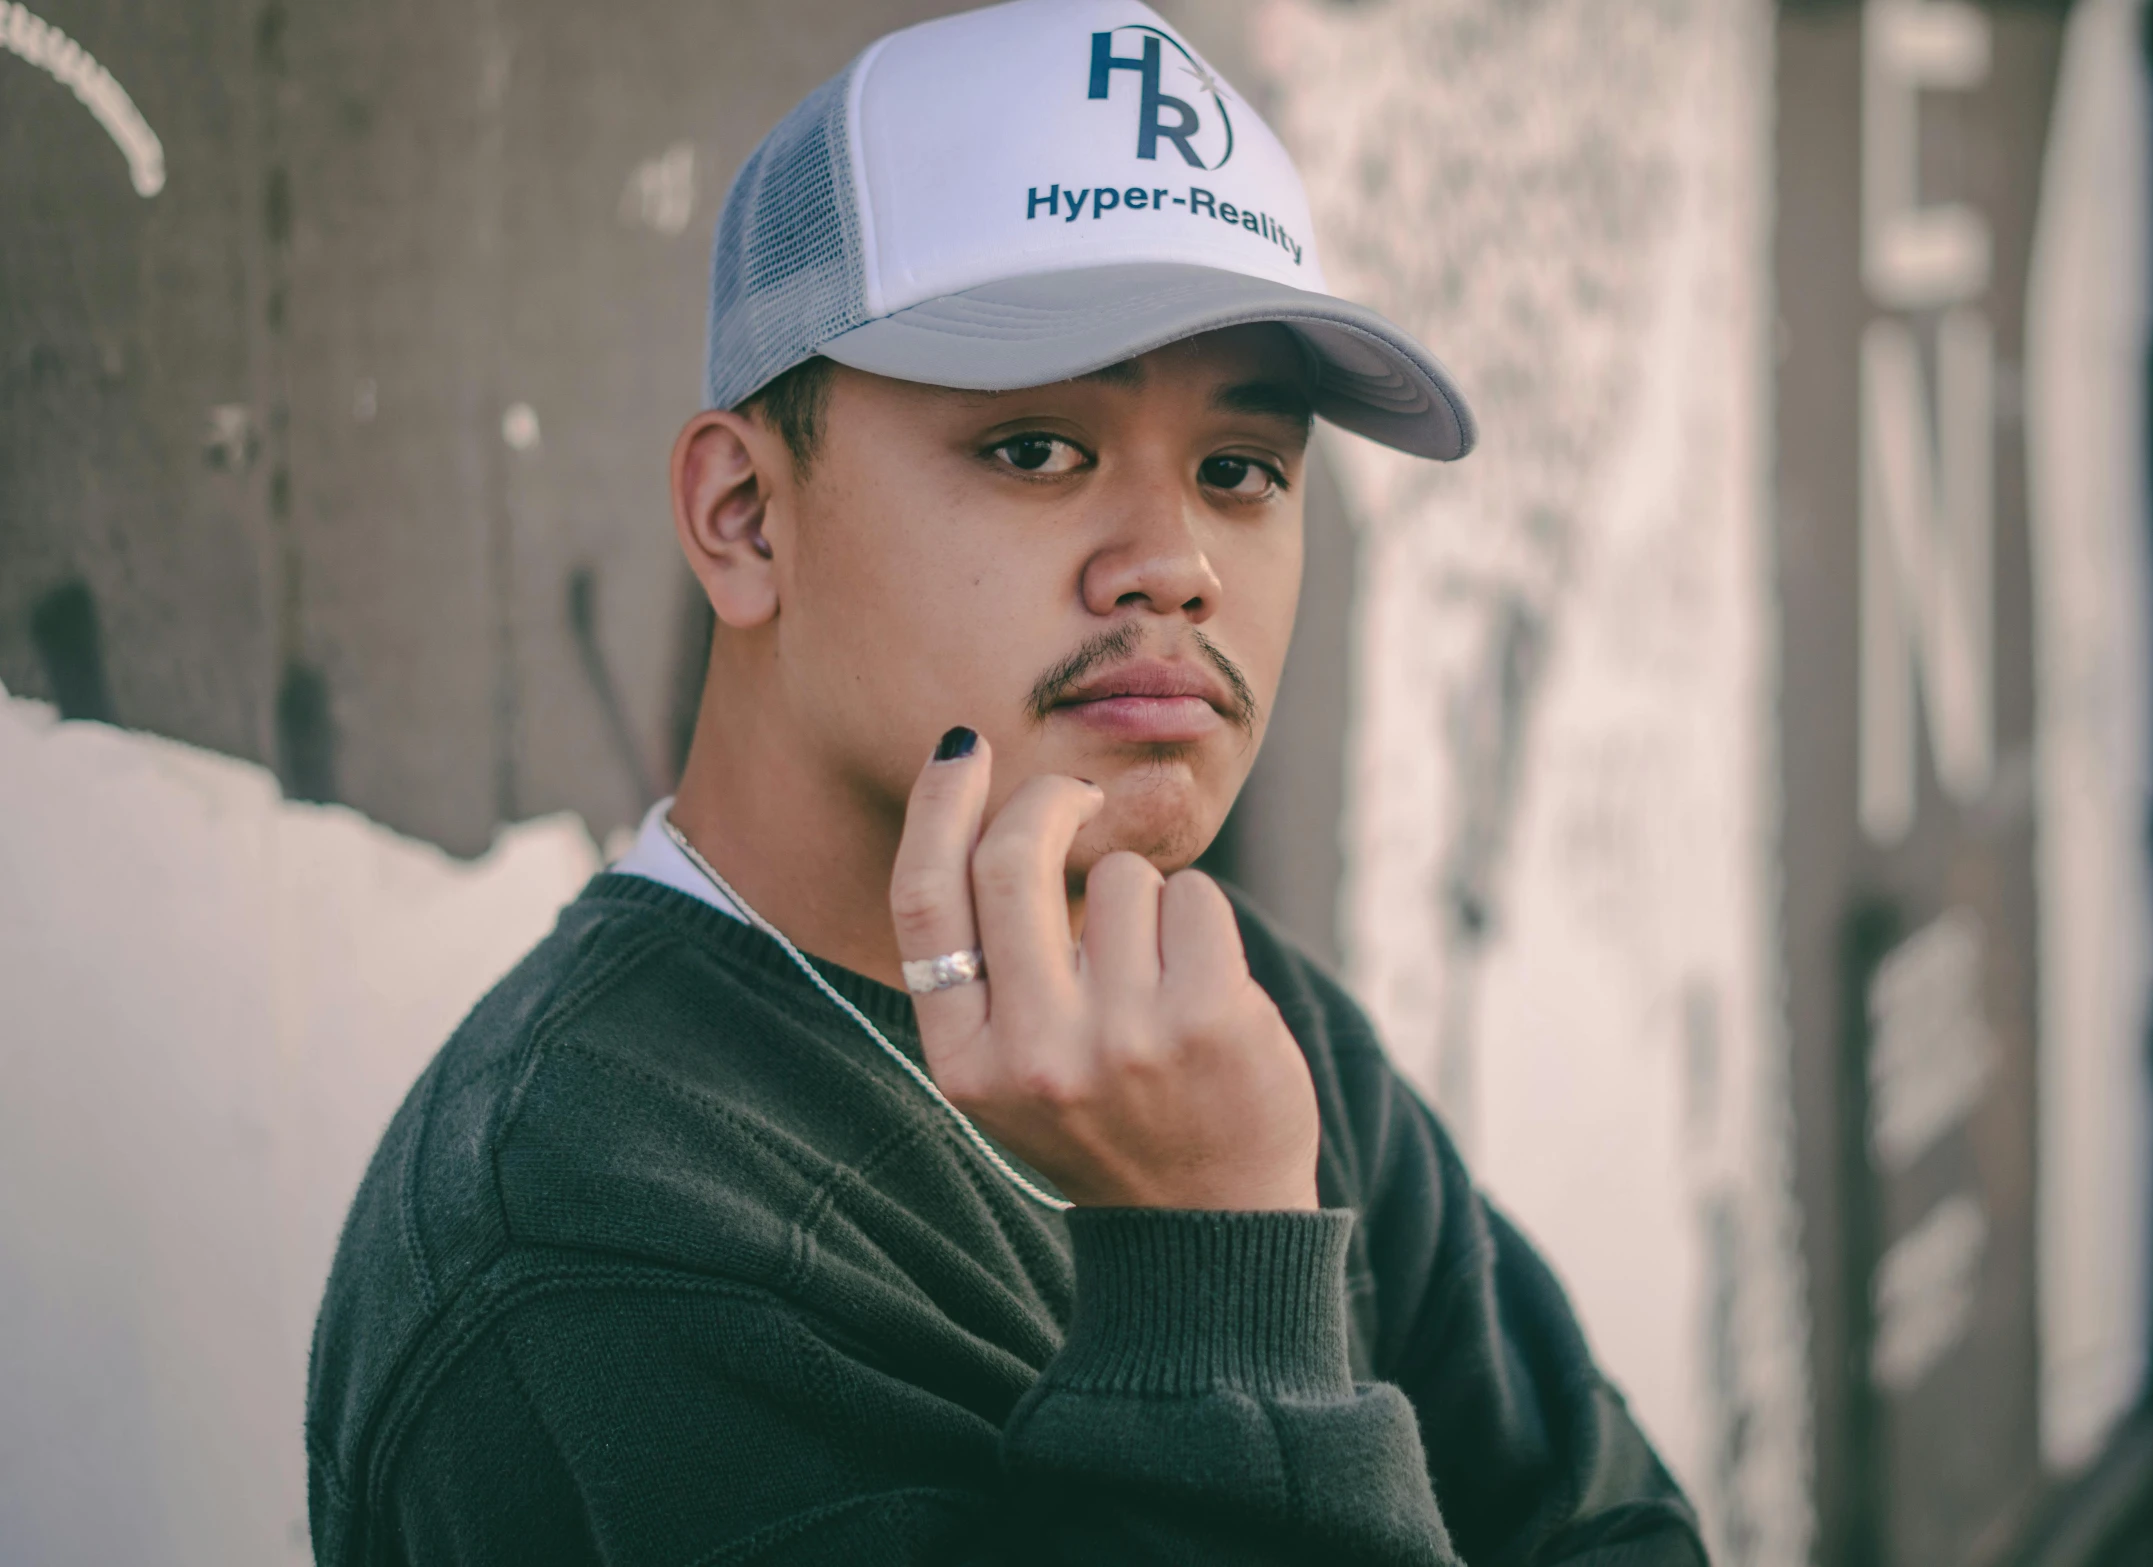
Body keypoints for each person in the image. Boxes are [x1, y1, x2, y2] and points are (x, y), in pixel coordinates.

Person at [306, 2, 1705, 1562]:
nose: (1174, 564)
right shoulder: (588, 1235)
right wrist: (1212, 1264)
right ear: (745, 517)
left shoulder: (1232, 1029)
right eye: (1037, 446)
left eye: (1240, 468)